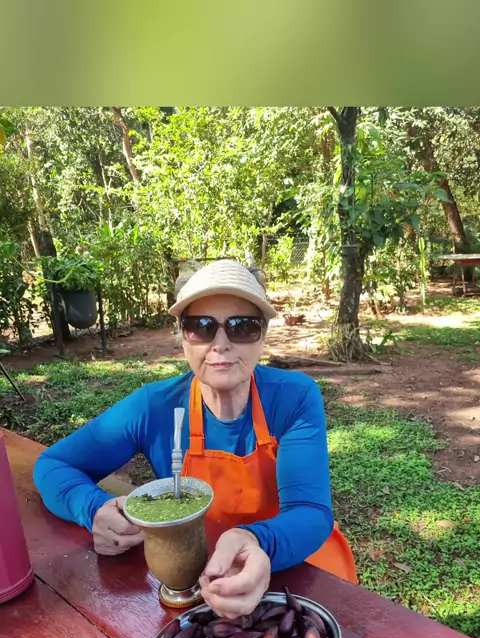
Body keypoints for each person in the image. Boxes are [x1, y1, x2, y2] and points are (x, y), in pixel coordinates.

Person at [34, 260, 356, 619]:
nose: (220, 344)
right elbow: (53, 465)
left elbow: (310, 511)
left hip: (298, 567)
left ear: (263, 335)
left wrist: (256, 541)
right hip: (202, 581)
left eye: (242, 326)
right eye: (201, 326)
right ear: (182, 336)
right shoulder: (153, 407)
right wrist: (93, 508)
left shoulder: (294, 396)